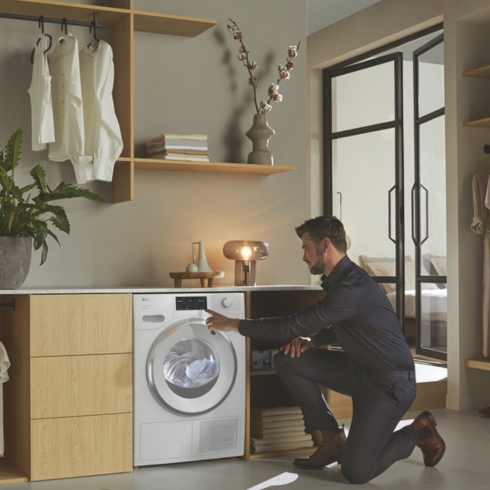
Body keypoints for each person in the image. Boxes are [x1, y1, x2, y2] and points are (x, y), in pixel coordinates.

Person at [205, 215, 446, 484]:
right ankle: (332, 440)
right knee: (288, 359)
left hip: (390, 384)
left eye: (306, 248)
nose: (304, 256)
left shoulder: (350, 288)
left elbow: (289, 326)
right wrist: (314, 341)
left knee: (356, 471)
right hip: (360, 371)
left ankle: (420, 431)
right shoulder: (343, 281)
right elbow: (351, 324)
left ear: (326, 245)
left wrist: (233, 324)